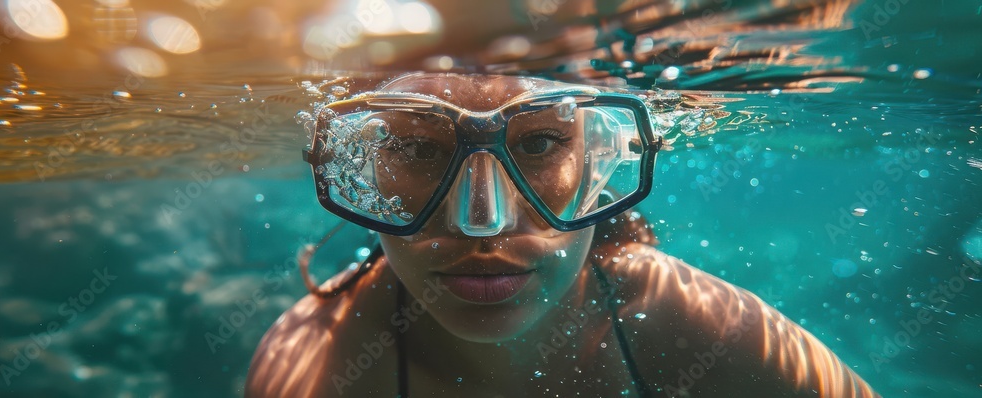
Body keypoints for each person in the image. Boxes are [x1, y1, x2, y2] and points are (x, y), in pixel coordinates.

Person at [245, 73, 879, 397]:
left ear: (600, 161)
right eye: (416, 147)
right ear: (362, 169)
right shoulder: (319, 370)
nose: (481, 221)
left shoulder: (698, 329)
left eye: (542, 142)